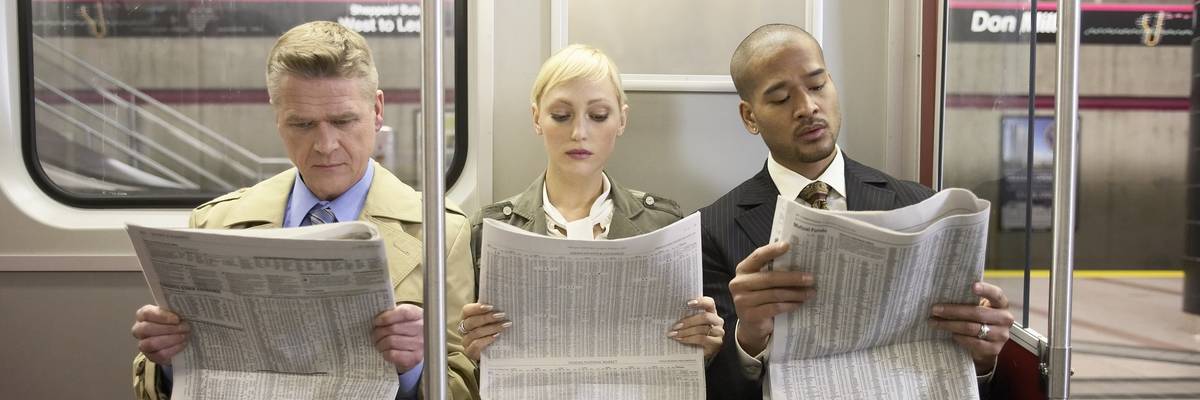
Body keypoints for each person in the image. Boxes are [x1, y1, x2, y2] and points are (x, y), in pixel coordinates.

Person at [129, 21, 479, 400]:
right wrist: (166, 363)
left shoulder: (441, 232)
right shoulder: (215, 223)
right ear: (277, 118)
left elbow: (465, 384)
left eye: (344, 121)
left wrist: (413, 369)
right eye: (302, 124)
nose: (325, 145)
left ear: (377, 111)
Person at [701, 24, 1015, 399]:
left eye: (817, 86)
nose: (807, 107)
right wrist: (748, 338)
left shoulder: (922, 209)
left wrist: (981, 360)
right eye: (782, 98)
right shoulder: (713, 229)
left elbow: (960, 362)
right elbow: (716, 387)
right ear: (750, 117)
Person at [457, 44, 724, 364]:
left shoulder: (664, 225)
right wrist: (471, 350)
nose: (579, 132)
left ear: (621, 120)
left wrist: (705, 349)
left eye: (598, 116)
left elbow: (686, 354)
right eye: (561, 116)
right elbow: (466, 365)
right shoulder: (487, 230)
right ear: (536, 118)